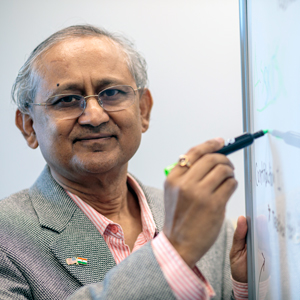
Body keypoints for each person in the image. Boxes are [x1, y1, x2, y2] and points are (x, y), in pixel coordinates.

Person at [0, 25, 248, 299]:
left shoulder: (201, 219)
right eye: (68, 99)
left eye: (112, 93)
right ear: (28, 126)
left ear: (143, 109)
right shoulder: (6, 238)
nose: (94, 117)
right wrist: (172, 252)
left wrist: (244, 289)